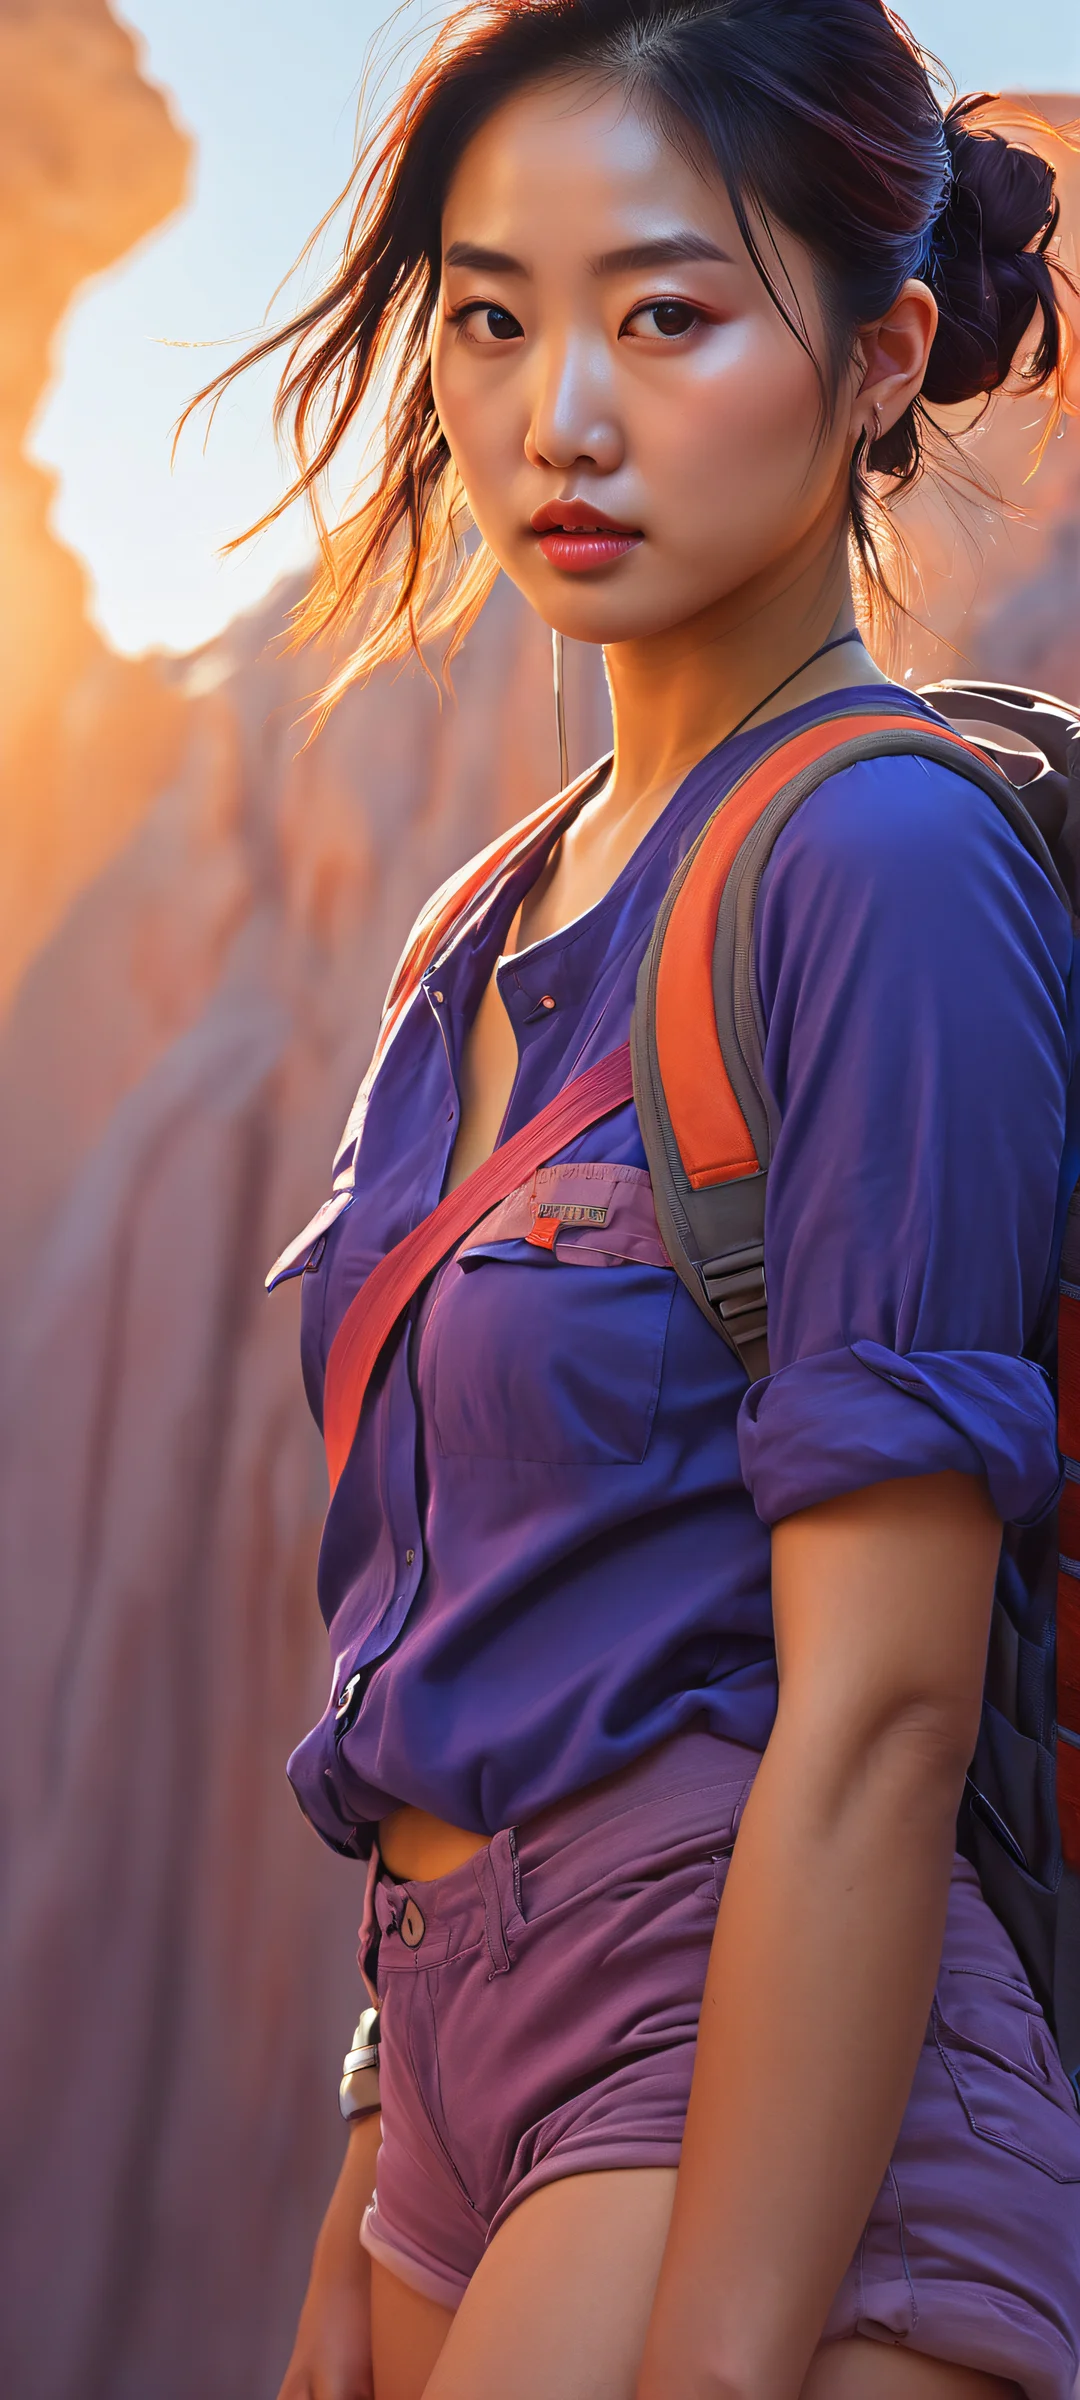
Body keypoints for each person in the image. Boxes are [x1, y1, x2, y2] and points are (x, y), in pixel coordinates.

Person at [195, 2, 1080, 2393]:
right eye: (492, 320)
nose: (558, 416)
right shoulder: (480, 919)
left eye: (666, 317)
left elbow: (881, 1709)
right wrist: (372, 2157)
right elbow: (467, 1612)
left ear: (880, 361)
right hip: (459, 2066)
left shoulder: (877, 865)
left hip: (750, 2051)